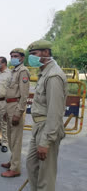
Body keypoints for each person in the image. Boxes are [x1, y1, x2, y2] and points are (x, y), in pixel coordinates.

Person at [26, 40, 67, 191]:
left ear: (46, 53)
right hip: (39, 127)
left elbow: (55, 112)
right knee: (32, 166)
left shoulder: (53, 76)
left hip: (47, 129)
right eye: (30, 55)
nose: (31, 58)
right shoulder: (45, 73)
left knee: (45, 176)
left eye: (34, 54)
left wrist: (46, 141)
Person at [1, 48, 30, 177]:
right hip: (9, 105)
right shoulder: (13, 71)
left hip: (16, 106)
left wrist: (18, 113)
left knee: (16, 139)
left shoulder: (23, 71)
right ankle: (13, 161)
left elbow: (24, 96)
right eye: (11, 55)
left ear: (22, 58)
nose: (13, 58)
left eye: (16, 56)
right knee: (10, 137)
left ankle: (16, 168)